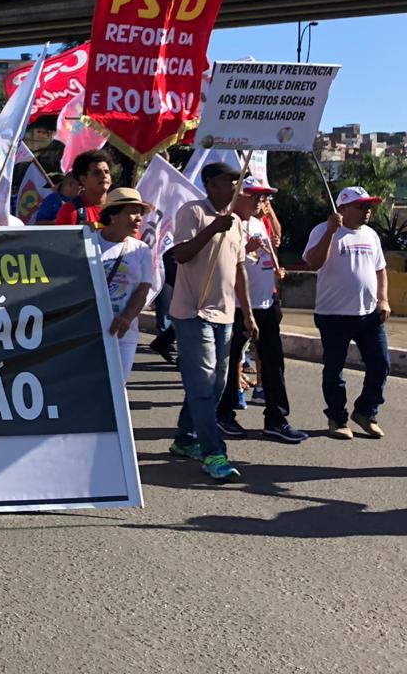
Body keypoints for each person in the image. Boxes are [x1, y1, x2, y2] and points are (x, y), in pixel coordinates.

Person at [167, 162, 256, 481]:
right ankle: (213, 453)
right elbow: (180, 255)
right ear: (210, 184)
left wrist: (248, 313)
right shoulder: (192, 212)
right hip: (194, 313)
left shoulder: (237, 222)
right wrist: (212, 229)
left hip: (225, 315)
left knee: (216, 385)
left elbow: (240, 269)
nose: (235, 186)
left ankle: (185, 438)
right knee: (203, 385)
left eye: (237, 180)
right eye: (228, 181)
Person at [213, 178, 305, 443]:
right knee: (229, 363)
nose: (261, 202)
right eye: (255, 196)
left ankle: (276, 419)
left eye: (264, 197)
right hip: (236, 307)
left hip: (265, 305)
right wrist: (245, 249)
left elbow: (266, 256)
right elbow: (219, 264)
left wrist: (276, 277)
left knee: (274, 363)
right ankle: (223, 413)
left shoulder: (257, 223)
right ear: (239, 196)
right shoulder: (227, 223)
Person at [302, 186, 391, 440]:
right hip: (333, 315)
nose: (367, 211)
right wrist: (331, 231)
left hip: (368, 313)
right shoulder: (323, 230)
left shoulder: (371, 235)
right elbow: (313, 263)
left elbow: (380, 269)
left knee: (380, 364)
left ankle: (366, 412)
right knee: (334, 369)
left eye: (369, 207)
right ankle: (337, 418)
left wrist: (383, 299)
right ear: (342, 208)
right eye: (361, 207)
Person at [92, 188, 154, 376]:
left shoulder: (142, 250)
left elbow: (143, 289)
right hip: (89, 331)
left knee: (118, 385)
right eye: (132, 212)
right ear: (113, 215)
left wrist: (126, 317)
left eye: (140, 213)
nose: (139, 218)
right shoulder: (88, 242)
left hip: (122, 334)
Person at [54, 150, 112, 227]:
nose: (104, 176)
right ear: (83, 180)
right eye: (97, 173)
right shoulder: (70, 210)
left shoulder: (121, 208)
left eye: (107, 172)